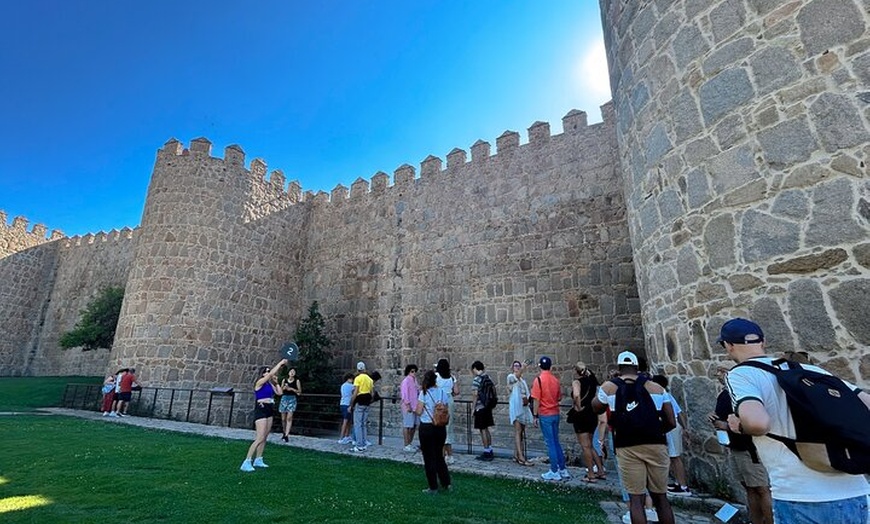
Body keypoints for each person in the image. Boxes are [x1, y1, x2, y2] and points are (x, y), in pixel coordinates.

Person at [722, 317, 870, 523]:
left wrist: (740, 425)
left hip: (801, 495)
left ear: (728, 346)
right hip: (856, 491)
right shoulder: (811, 370)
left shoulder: (741, 374)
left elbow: (758, 423)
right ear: (763, 342)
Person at [593, 351, 676, 524]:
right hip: (656, 444)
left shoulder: (610, 387)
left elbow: (596, 407)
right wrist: (656, 431)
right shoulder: (656, 388)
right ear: (637, 367)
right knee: (661, 498)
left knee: (636, 499)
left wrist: (607, 385)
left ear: (619, 367)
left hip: (627, 444)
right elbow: (671, 421)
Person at [708, 361, 772, 524]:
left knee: (762, 488)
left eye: (722, 371)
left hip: (749, 448)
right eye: (718, 372)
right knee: (749, 487)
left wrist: (726, 425)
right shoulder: (725, 394)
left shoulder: (743, 393)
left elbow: (752, 420)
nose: (719, 375)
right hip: (736, 446)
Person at [240, 359, 286, 472]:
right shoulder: (259, 382)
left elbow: (279, 393)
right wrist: (280, 364)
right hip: (261, 409)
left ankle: (258, 459)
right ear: (262, 373)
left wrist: (276, 382)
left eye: (269, 371)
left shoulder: (269, 384)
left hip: (269, 409)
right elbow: (270, 375)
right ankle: (246, 461)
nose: (268, 372)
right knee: (259, 437)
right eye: (266, 371)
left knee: (265, 437)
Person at [650, 374, 691, 496]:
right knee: (672, 457)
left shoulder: (664, 395)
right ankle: (678, 483)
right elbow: (679, 411)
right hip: (673, 426)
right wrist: (684, 428)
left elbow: (677, 413)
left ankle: (683, 486)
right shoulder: (667, 395)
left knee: (675, 457)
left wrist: (684, 429)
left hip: (671, 427)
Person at [530, 356, 570, 481]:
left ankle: (554, 470)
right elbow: (559, 397)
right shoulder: (555, 380)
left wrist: (535, 415)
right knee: (556, 441)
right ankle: (562, 469)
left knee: (550, 443)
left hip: (545, 414)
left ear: (539, 366)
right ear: (550, 366)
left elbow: (536, 399)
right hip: (555, 413)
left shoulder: (539, 380)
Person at [415, 370, 452, 494]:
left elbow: (419, 411)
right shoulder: (442, 392)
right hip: (440, 427)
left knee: (429, 457)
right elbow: (446, 408)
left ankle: (433, 486)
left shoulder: (423, 393)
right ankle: (446, 482)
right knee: (439, 456)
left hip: (427, 427)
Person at [571, 361, 605, 483]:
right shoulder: (592, 382)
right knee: (590, 445)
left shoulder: (577, 382)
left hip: (582, 415)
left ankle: (591, 474)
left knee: (585, 446)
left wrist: (578, 407)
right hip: (592, 415)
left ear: (576, 371)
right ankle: (600, 470)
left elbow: (576, 395)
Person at [506, 360, 534, 466]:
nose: (517, 367)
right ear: (512, 367)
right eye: (516, 366)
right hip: (516, 407)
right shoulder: (511, 377)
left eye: (519, 366)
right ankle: (521, 457)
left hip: (523, 407)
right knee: (518, 430)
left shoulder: (522, 380)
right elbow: (516, 377)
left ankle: (516, 454)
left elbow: (526, 392)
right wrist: (523, 367)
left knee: (521, 431)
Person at [435, 358, 460, 464]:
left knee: (439, 426)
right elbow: (457, 391)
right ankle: (449, 454)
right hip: (449, 400)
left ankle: (444, 454)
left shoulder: (436, 376)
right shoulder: (452, 377)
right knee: (448, 426)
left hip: (440, 401)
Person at [470, 360, 495, 461]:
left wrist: (473, 408)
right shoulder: (488, 377)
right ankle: (490, 449)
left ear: (475, 369)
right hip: (488, 407)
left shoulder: (476, 380)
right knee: (487, 429)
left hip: (480, 407)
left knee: (482, 429)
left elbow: (475, 395)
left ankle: (486, 452)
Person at [350, 361, 374, 452]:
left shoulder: (358, 378)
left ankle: (359, 444)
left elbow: (355, 392)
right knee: (363, 424)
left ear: (358, 369)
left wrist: (351, 404)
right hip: (367, 402)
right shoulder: (370, 379)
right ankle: (364, 443)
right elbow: (372, 393)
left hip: (359, 401)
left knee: (358, 424)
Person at [400, 364, 420, 452]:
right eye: (412, 371)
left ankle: (410, 442)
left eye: (415, 371)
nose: (414, 373)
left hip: (415, 406)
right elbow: (404, 394)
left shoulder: (415, 380)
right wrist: (408, 405)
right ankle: (406, 444)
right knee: (407, 425)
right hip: (408, 406)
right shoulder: (406, 381)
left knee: (414, 425)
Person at [278, 367, 301, 442]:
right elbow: (280, 391)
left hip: (292, 399)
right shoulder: (284, 380)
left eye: (293, 371)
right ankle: (284, 432)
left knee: (289, 418)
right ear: (288, 373)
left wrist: (292, 389)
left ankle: (287, 435)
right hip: (284, 399)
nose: (292, 373)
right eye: (291, 371)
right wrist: (284, 388)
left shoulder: (297, 381)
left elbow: (299, 392)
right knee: (283, 419)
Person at [338, 373, 354, 444]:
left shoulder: (343, 385)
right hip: (348, 404)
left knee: (348, 421)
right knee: (346, 421)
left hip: (342, 403)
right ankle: (342, 437)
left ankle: (346, 436)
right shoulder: (351, 386)